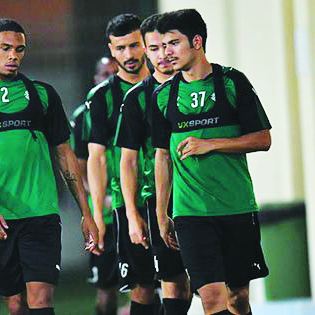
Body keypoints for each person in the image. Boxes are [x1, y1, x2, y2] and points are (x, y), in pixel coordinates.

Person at [0, 18, 100, 315]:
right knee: (16, 305)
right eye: (5, 48)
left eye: (19, 49)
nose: (13, 55)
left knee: (41, 299)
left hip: (40, 215)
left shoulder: (43, 94)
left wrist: (86, 212)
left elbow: (65, 155)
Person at [151, 9, 271, 315]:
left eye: (174, 43)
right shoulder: (163, 96)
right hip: (191, 214)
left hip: (236, 206)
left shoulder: (232, 82)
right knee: (212, 298)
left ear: (197, 42)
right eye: (162, 45)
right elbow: (162, 156)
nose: (166, 53)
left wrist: (212, 144)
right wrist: (161, 212)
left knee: (238, 297)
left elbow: (262, 139)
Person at [114, 13, 192, 315]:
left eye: (168, 45)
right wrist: (133, 215)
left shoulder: (200, 86)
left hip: (202, 196)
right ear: (147, 50)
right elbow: (128, 160)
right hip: (158, 198)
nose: (163, 54)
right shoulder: (136, 99)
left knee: (218, 285)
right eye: (155, 47)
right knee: (168, 280)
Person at [86, 13, 156, 315]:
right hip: (131, 203)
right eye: (120, 48)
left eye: (134, 45)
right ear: (112, 51)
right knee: (142, 286)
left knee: (182, 282)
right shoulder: (102, 97)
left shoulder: (167, 85)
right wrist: (99, 216)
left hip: (176, 198)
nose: (128, 54)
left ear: (145, 44)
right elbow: (96, 158)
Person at [71, 56, 119, 315]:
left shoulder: (133, 104)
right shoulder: (83, 117)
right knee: (106, 290)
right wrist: (102, 198)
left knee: (147, 286)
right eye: (104, 74)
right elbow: (79, 168)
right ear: (95, 79)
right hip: (105, 217)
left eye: (114, 72)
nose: (109, 78)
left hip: (133, 209)